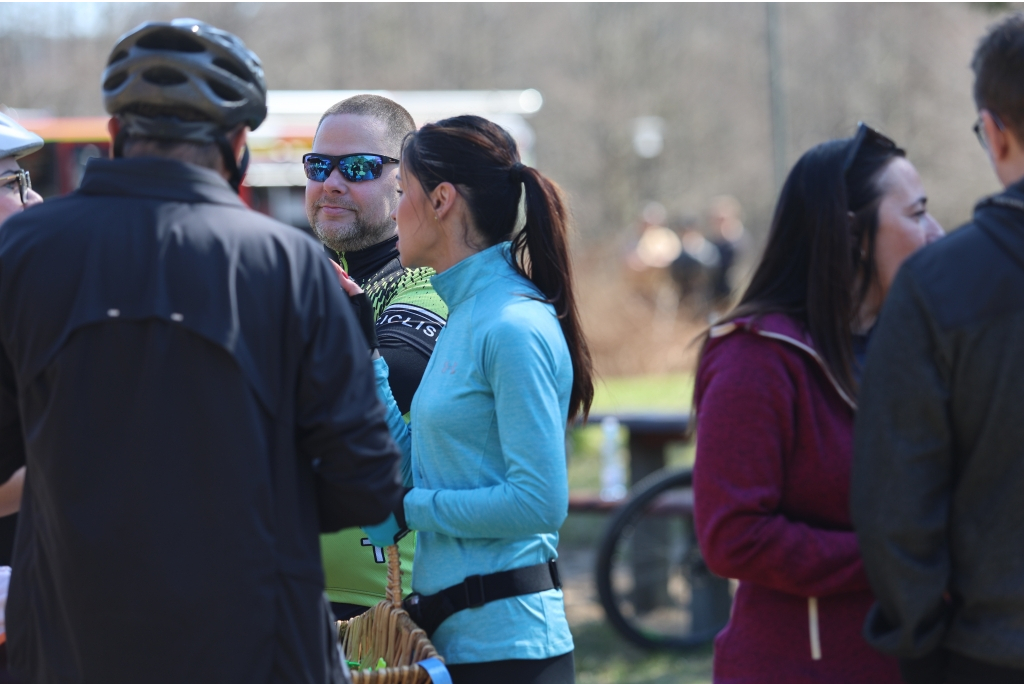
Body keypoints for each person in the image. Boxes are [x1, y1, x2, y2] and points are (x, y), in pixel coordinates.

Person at [0, 19, 404, 682]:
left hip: (70, 641)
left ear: (115, 133)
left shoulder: (23, 250)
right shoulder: (290, 266)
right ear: (238, 145)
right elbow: (365, 484)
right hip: (253, 643)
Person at [692, 123, 942, 683]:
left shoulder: (912, 345)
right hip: (802, 667)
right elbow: (733, 537)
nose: (937, 233)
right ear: (853, 234)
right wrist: (897, 557)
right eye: (917, 214)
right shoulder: (756, 357)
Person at [347, 114, 592, 684]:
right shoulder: (465, 311)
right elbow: (416, 470)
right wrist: (366, 352)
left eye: (402, 191)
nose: (394, 211)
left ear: (441, 201)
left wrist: (410, 510)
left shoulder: (513, 324)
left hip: (513, 655)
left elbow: (538, 502)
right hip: (451, 647)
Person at [852, 13, 1024, 683]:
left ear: (993, 130)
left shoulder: (937, 287)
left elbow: (898, 498)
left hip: (992, 650)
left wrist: (920, 645)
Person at [304, 95, 447, 622]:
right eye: (318, 166)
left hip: (392, 610)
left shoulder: (432, 282)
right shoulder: (299, 274)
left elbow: (392, 375)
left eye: (359, 167)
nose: (331, 183)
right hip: (286, 594)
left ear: (405, 182)